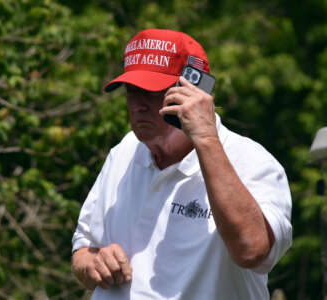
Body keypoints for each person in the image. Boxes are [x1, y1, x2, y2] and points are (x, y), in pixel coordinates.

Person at [71, 28, 292, 300]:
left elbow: (252, 250)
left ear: (194, 92)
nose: (138, 105)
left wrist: (206, 140)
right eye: (131, 91)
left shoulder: (250, 161)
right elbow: (82, 249)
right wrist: (94, 262)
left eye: (151, 92)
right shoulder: (125, 152)